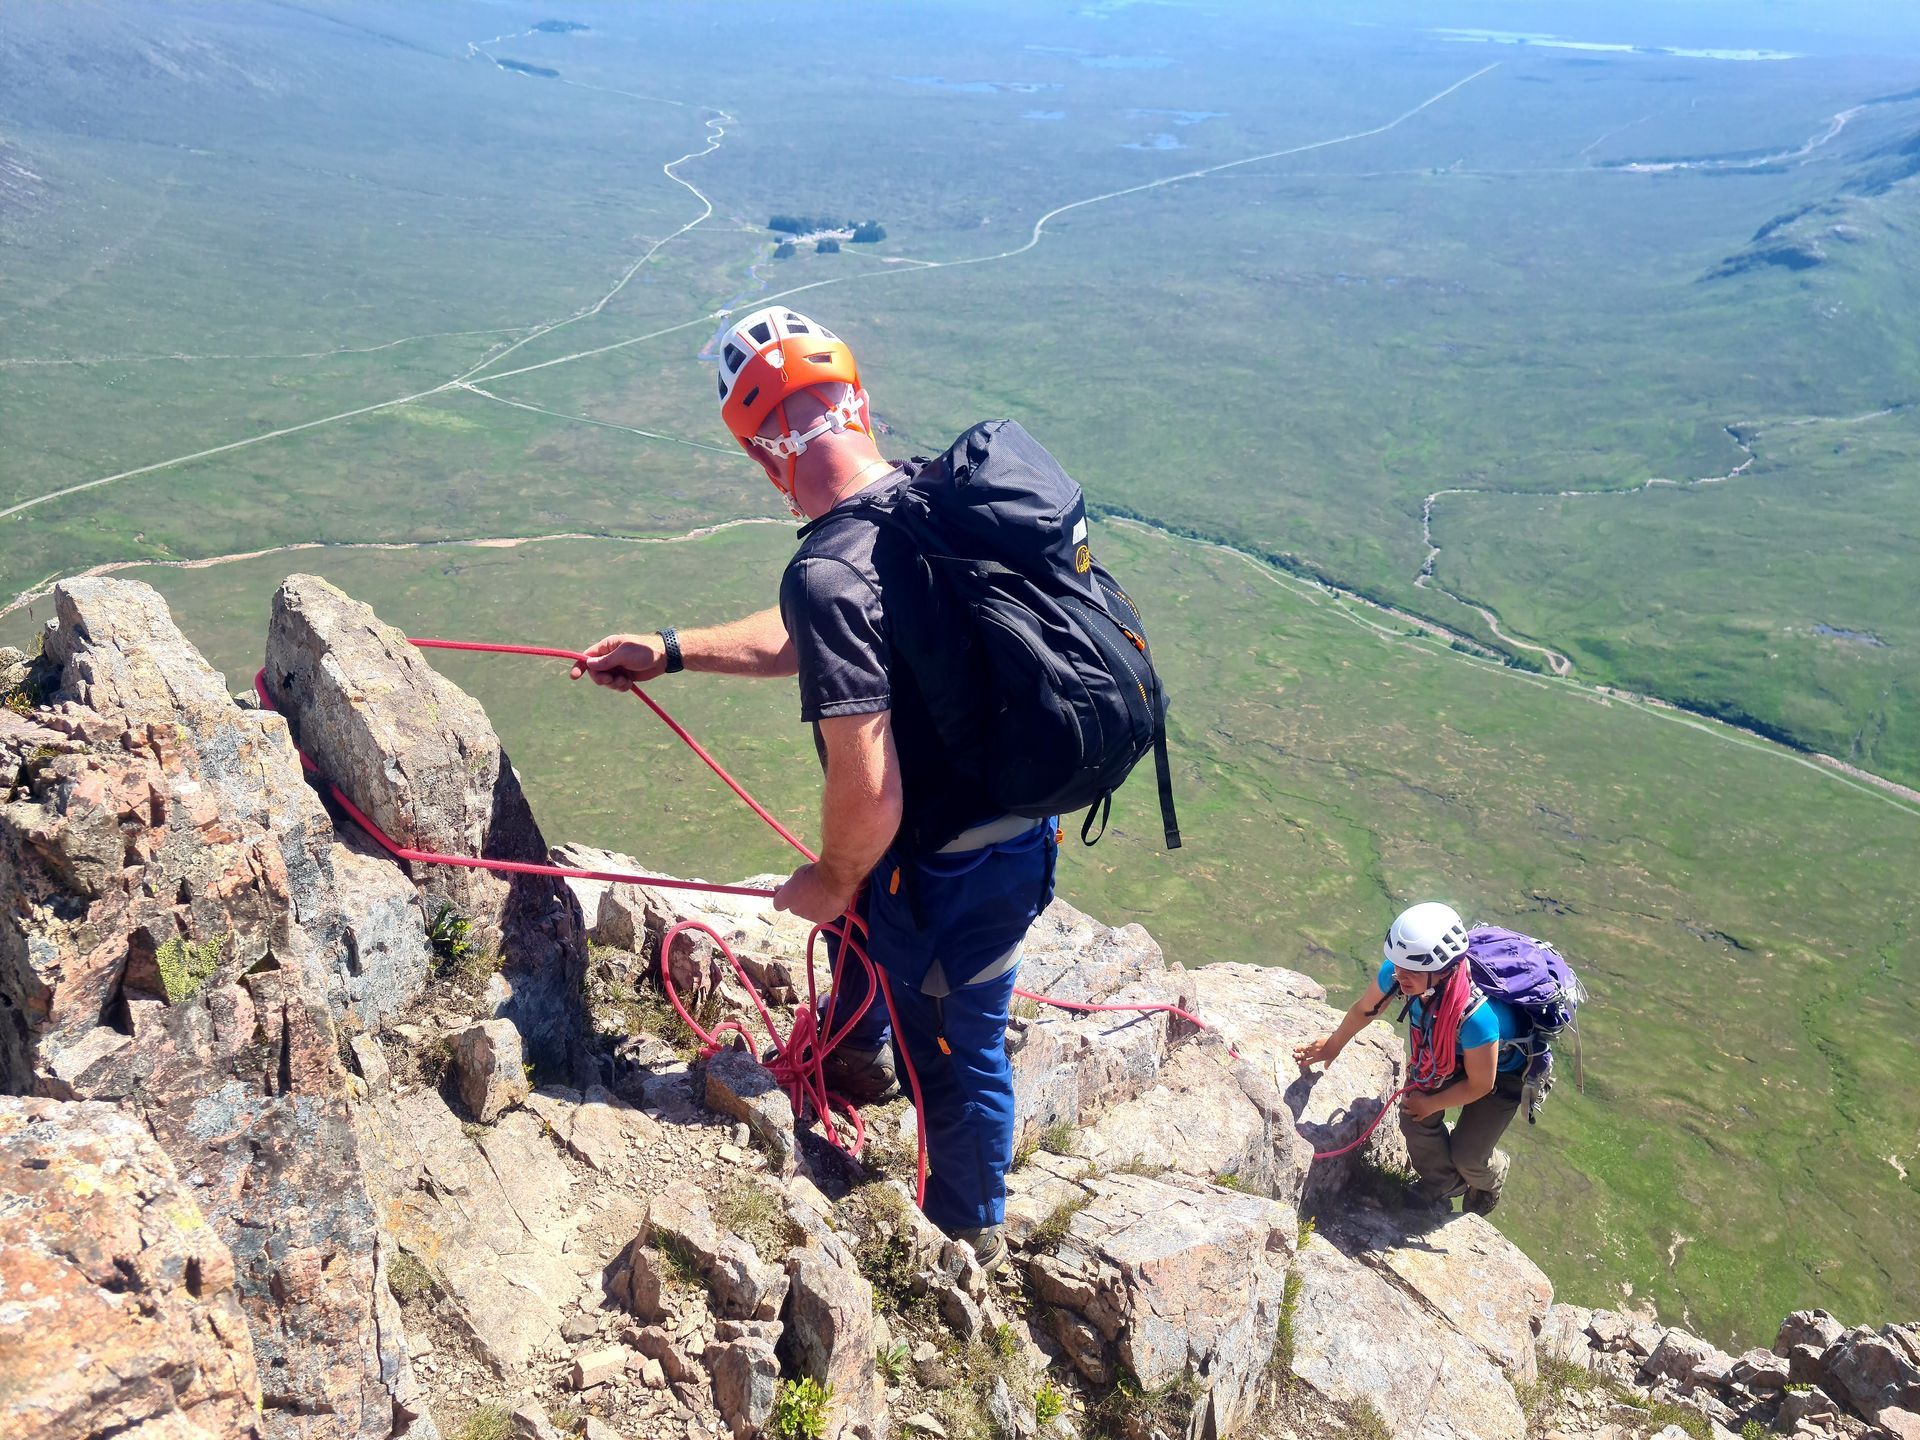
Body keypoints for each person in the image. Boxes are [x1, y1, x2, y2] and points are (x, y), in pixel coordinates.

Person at [570, 305, 1057, 1271]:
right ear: (859, 404)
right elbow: (820, 635)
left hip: (950, 867)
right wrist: (671, 651)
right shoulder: (922, 499)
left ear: (763, 458)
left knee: (956, 1055)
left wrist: (831, 879)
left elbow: (868, 792)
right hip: (997, 831)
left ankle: (963, 1239)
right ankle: (856, 1052)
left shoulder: (835, 566)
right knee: (863, 928)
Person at [1293, 901, 1532, 1215]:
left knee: (1469, 1157)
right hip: (1447, 1054)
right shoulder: (1399, 974)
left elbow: (1481, 1085)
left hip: (1501, 1073)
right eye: (1398, 965)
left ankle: (1492, 1175)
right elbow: (1366, 1009)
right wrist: (1333, 1045)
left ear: (1444, 970)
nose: (1400, 976)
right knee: (1413, 1116)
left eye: (1413, 970)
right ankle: (1443, 1183)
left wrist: (1432, 1103)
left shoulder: (1477, 1018)